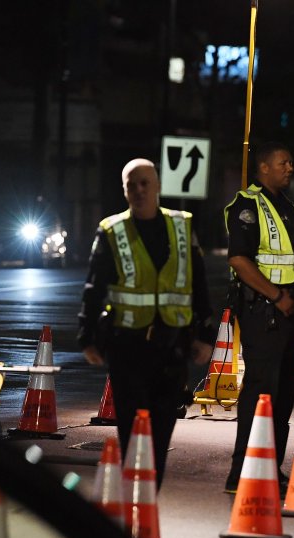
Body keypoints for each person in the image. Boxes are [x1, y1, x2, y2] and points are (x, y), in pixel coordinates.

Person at [78, 158, 215, 488]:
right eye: (132, 185)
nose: (139, 190)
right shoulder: (112, 230)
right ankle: (132, 494)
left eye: (145, 183)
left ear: (157, 186)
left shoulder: (182, 227)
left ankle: (148, 494)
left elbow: (199, 284)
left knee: (163, 425)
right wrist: (88, 338)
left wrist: (205, 335)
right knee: (132, 426)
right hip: (127, 345)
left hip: (172, 347)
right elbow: (94, 287)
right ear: (124, 190)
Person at [223, 141, 294, 493]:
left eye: (291, 162)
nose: (290, 168)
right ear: (264, 167)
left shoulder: (288, 208)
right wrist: (277, 296)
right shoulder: (248, 205)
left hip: (288, 311)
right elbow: (239, 260)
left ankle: (269, 466)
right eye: (283, 163)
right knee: (261, 389)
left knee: (284, 392)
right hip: (264, 313)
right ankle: (242, 470)